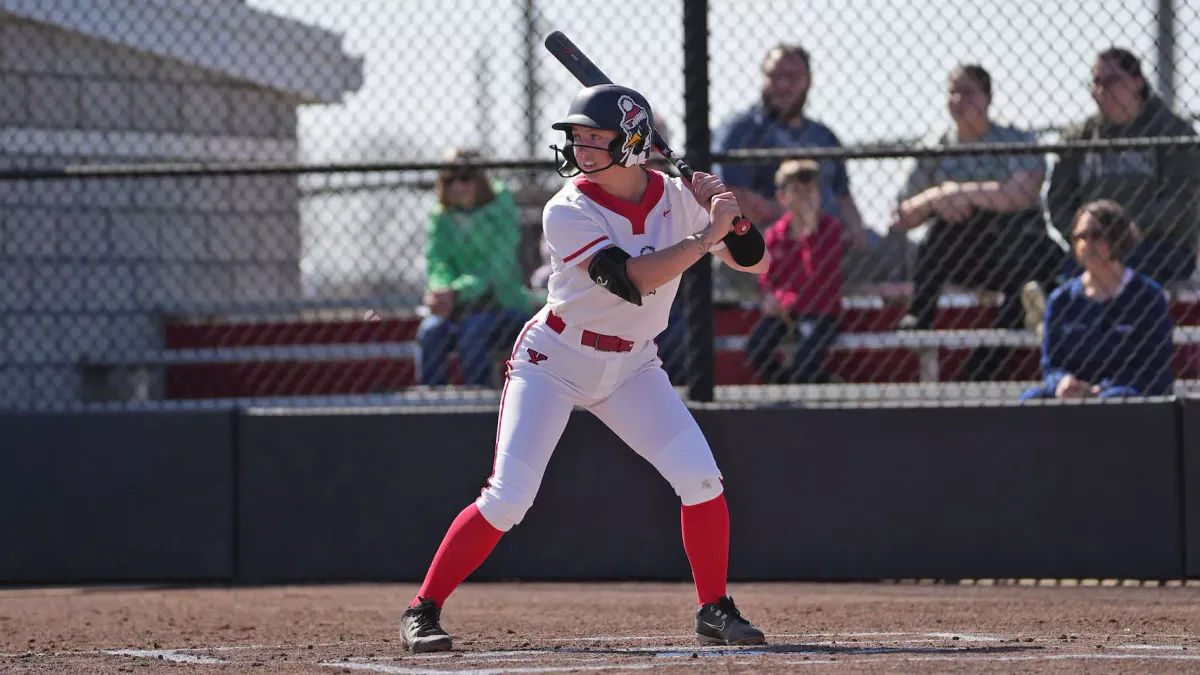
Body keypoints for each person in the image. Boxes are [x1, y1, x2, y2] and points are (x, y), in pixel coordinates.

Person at [398, 84, 771, 653]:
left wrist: (731, 216)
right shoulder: (568, 208)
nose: (582, 148)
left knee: (702, 481)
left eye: (597, 138)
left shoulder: (678, 198)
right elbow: (631, 280)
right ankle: (423, 608)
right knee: (508, 499)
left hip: (632, 367)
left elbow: (755, 260)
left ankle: (713, 608)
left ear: (634, 142)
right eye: (579, 138)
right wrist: (705, 234)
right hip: (554, 360)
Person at [890, 64, 1064, 379]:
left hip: (1014, 251)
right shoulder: (934, 147)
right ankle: (919, 314)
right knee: (943, 227)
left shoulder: (1015, 139)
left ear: (988, 97)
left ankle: (979, 372)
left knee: (1029, 284)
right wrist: (936, 198)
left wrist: (961, 192)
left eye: (968, 92)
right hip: (967, 253)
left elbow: (1020, 193)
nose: (959, 99)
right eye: (952, 91)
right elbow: (902, 217)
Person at [1047, 47, 1200, 288]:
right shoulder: (1079, 137)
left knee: (1131, 265)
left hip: (1158, 243)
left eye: (1113, 80)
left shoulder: (1172, 131)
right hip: (1093, 244)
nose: (1102, 89)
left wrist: (1127, 229)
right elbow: (1059, 201)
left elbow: (1182, 200)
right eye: (1096, 82)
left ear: (1138, 83)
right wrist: (1085, 234)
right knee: (1052, 264)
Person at [712, 44, 867, 250]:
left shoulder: (824, 136)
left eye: (792, 77)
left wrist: (856, 234)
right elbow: (731, 195)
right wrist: (799, 215)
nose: (783, 85)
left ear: (808, 82)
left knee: (891, 252)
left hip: (830, 246)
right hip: (768, 246)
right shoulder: (740, 131)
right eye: (774, 76)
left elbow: (843, 198)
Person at [1020, 200, 1174, 401]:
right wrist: (1063, 382)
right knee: (1031, 399)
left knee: (1116, 399)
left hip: (1126, 393)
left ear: (1118, 238)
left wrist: (1102, 389)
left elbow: (1154, 367)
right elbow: (1052, 365)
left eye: (1096, 235)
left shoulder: (1147, 297)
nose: (1087, 244)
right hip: (1075, 394)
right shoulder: (1061, 300)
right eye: (1080, 237)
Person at [418, 149, 537, 387]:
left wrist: (457, 292)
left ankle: (478, 405)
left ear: (479, 180)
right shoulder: (441, 216)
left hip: (501, 304)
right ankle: (431, 409)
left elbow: (497, 270)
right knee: (430, 331)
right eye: (449, 179)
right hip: (456, 307)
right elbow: (437, 262)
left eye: (465, 178)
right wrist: (440, 290)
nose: (457, 186)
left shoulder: (501, 208)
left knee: (473, 330)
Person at [746, 159, 843, 384]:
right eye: (798, 192)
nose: (805, 198)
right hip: (786, 312)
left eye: (810, 191)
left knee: (804, 362)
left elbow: (819, 277)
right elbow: (767, 278)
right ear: (782, 198)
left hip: (821, 312)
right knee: (756, 347)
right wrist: (772, 298)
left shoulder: (829, 230)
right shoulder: (775, 235)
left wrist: (809, 233)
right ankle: (785, 387)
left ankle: (818, 381)